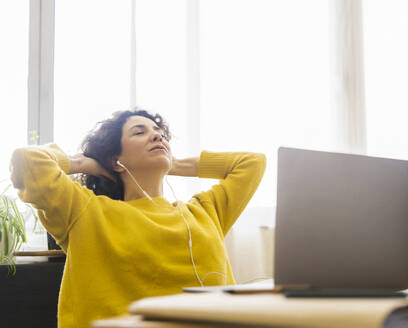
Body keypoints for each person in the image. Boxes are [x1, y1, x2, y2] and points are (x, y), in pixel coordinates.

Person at [10, 109, 266, 328]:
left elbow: (252, 163)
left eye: (160, 134)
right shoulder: (85, 211)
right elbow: (28, 162)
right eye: (139, 132)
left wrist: (172, 163)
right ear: (116, 160)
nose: (157, 136)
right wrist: (85, 163)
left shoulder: (205, 211)